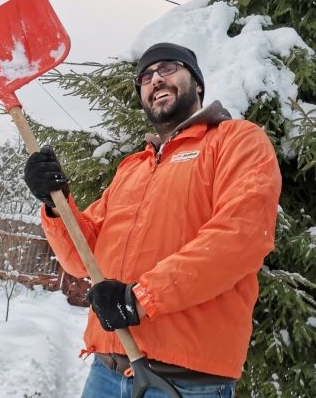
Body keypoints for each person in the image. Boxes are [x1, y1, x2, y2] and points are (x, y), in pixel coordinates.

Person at [23, 42, 282, 398]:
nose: (155, 80)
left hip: (186, 381)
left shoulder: (236, 141)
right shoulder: (133, 168)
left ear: (198, 84)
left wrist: (140, 298)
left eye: (168, 69)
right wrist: (55, 205)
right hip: (106, 371)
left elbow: (241, 237)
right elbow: (81, 258)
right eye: (145, 76)